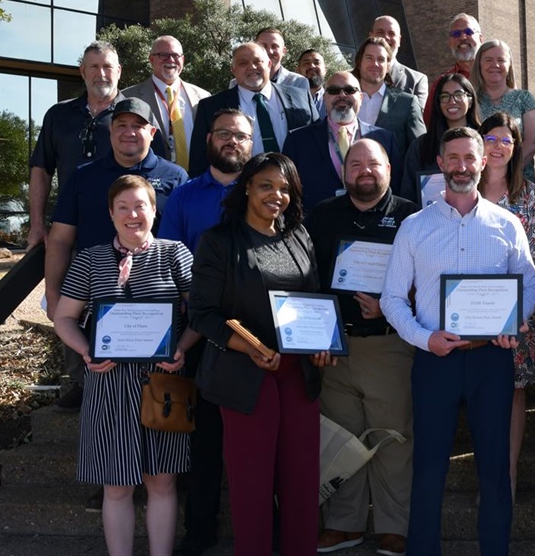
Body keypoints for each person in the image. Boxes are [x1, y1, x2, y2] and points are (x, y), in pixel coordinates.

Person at [380, 127, 535, 556]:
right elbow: (392, 298)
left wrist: (512, 320)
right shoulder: (415, 227)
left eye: (470, 158)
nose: (462, 166)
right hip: (435, 359)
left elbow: (529, 283)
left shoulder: (507, 224)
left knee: (495, 468)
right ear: (440, 163)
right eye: (453, 158)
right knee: (429, 467)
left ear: (483, 162)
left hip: (491, 360)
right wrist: (423, 338)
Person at [188, 153, 333, 555]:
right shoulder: (218, 240)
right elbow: (201, 313)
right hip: (242, 374)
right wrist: (250, 347)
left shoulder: (299, 237)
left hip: (298, 373)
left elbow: (314, 299)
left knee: (302, 481)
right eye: (267, 185)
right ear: (247, 187)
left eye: (285, 189)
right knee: (252, 484)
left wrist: (322, 341)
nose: (276, 195)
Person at [52, 175, 197, 556]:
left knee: (162, 483)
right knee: (116, 487)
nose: (133, 214)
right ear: (111, 213)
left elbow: (201, 313)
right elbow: (64, 318)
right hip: (109, 386)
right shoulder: (90, 259)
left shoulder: (175, 254)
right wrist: (87, 351)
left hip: (162, 386)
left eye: (140, 206)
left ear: (154, 210)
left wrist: (181, 348)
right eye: (123, 207)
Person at [307, 139, 418, 556]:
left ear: (389, 169)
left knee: (393, 437)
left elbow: (426, 281)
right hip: (335, 349)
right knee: (341, 437)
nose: (365, 171)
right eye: (355, 164)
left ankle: (394, 525)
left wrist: (393, 306)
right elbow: (309, 280)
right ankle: (343, 523)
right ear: (343, 171)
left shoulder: (411, 217)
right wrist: (317, 335)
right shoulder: (322, 215)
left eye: (373, 163)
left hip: (388, 345)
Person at [45, 97, 189, 411]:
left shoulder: (176, 177)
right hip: (96, 292)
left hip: (159, 308)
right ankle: (82, 385)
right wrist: (53, 294)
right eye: (121, 125)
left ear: (152, 133)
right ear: (110, 132)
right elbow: (60, 239)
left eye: (138, 125)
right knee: (98, 377)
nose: (129, 132)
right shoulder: (84, 175)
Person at [158, 107, 253, 556]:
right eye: (224, 134)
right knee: (204, 437)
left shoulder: (265, 190)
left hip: (255, 331)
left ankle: (264, 524)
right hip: (199, 331)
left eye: (241, 135)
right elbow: (167, 257)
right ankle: (200, 527)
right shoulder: (184, 196)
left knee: (256, 435)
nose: (232, 141)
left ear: (252, 144)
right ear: (209, 140)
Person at [27, 40, 165, 251]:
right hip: (69, 232)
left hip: (126, 235)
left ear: (119, 71)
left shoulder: (139, 117)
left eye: (107, 67)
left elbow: (158, 171)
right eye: (94, 67)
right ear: (82, 71)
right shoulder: (58, 115)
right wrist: (37, 224)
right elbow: (41, 170)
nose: (101, 74)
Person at [478, 112, 535, 500]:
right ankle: (486, 473)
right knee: (481, 391)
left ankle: (508, 473)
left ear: (516, 148)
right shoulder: (461, 189)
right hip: (468, 308)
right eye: (491, 139)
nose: (498, 146)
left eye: (506, 140)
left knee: (514, 389)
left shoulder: (529, 195)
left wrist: (502, 296)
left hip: (517, 309)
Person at [188, 42, 319, 175]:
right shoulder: (210, 107)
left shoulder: (301, 97)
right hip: (238, 185)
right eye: (243, 63)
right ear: (233, 70)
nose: (252, 67)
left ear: (269, 64)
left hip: (299, 182)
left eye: (258, 61)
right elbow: (199, 160)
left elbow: (319, 143)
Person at [281, 70, 399, 213]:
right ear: (324, 97)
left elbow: (395, 188)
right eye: (334, 91)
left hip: (372, 222)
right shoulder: (297, 140)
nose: (342, 95)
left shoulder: (385, 139)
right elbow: (288, 189)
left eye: (349, 90)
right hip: (316, 222)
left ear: (361, 97)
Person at [123, 35, 211, 171]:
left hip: (196, 178)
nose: (171, 60)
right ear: (151, 59)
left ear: (183, 59)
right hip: (149, 177)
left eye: (176, 55)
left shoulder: (203, 97)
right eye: (163, 55)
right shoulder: (128, 97)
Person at [400, 73, 481, 204]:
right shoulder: (421, 146)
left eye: (459, 94)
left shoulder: (486, 140)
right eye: (445, 96)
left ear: (470, 100)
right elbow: (408, 195)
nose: (452, 101)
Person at [472, 39, 535, 182]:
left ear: (509, 64)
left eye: (501, 60)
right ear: (479, 64)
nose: (495, 65)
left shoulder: (524, 99)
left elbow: (533, 142)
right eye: (488, 60)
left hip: (519, 182)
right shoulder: (471, 101)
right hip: (480, 182)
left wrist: (508, 175)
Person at [353, 35, 425, 159]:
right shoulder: (344, 99)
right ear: (359, 63)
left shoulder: (407, 103)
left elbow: (421, 149)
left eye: (381, 59)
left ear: (388, 67)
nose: (375, 64)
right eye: (369, 58)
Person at [422, 13, 483, 125]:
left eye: (468, 32)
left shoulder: (493, 76)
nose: (463, 37)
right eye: (456, 34)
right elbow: (430, 124)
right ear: (449, 43)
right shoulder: (441, 83)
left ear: (480, 39)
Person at [373, 15, 429, 111]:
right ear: (371, 36)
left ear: (399, 40)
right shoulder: (352, 77)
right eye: (380, 32)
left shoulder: (417, 80)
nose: (386, 37)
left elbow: (417, 115)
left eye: (391, 33)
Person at [295, 48, 327, 116]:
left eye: (317, 63)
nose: (312, 66)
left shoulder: (332, 101)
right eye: (306, 63)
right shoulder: (287, 98)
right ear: (298, 70)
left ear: (325, 70)